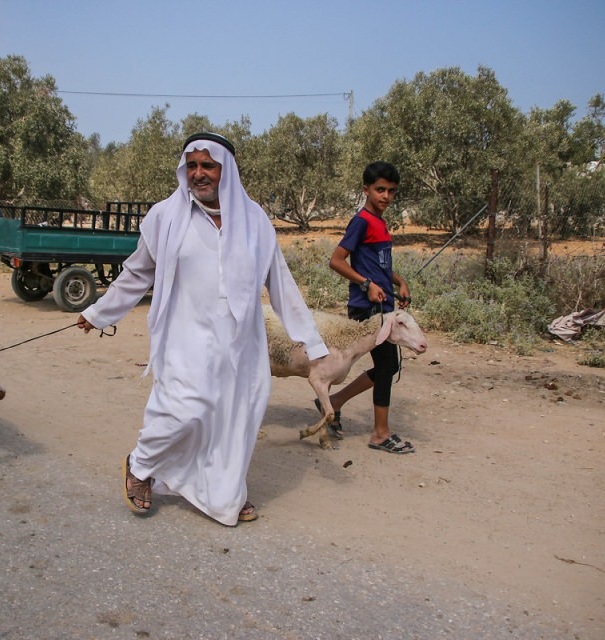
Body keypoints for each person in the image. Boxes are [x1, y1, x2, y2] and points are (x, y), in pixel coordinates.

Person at [76, 133, 329, 526]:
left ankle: (225, 495)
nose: (198, 174)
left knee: (234, 419)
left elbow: (280, 281)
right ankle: (140, 466)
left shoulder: (255, 221)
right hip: (185, 338)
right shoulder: (165, 216)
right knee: (182, 411)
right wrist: (98, 312)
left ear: (225, 171)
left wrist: (310, 339)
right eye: (191, 166)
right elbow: (138, 271)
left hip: (240, 343)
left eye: (207, 166)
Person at [318, 161, 415, 453]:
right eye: (380, 190)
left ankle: (334, 402)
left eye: (391, 191)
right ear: (366, 190)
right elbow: (337, 261)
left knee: (388, 365)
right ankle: (380, 434)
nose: (385, 196)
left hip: (384, 306)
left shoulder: (381, 223)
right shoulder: (361, 221)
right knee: (386, 366)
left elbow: (379, 265)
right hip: (367, 308)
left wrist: (399, 282)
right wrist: (366, 286)